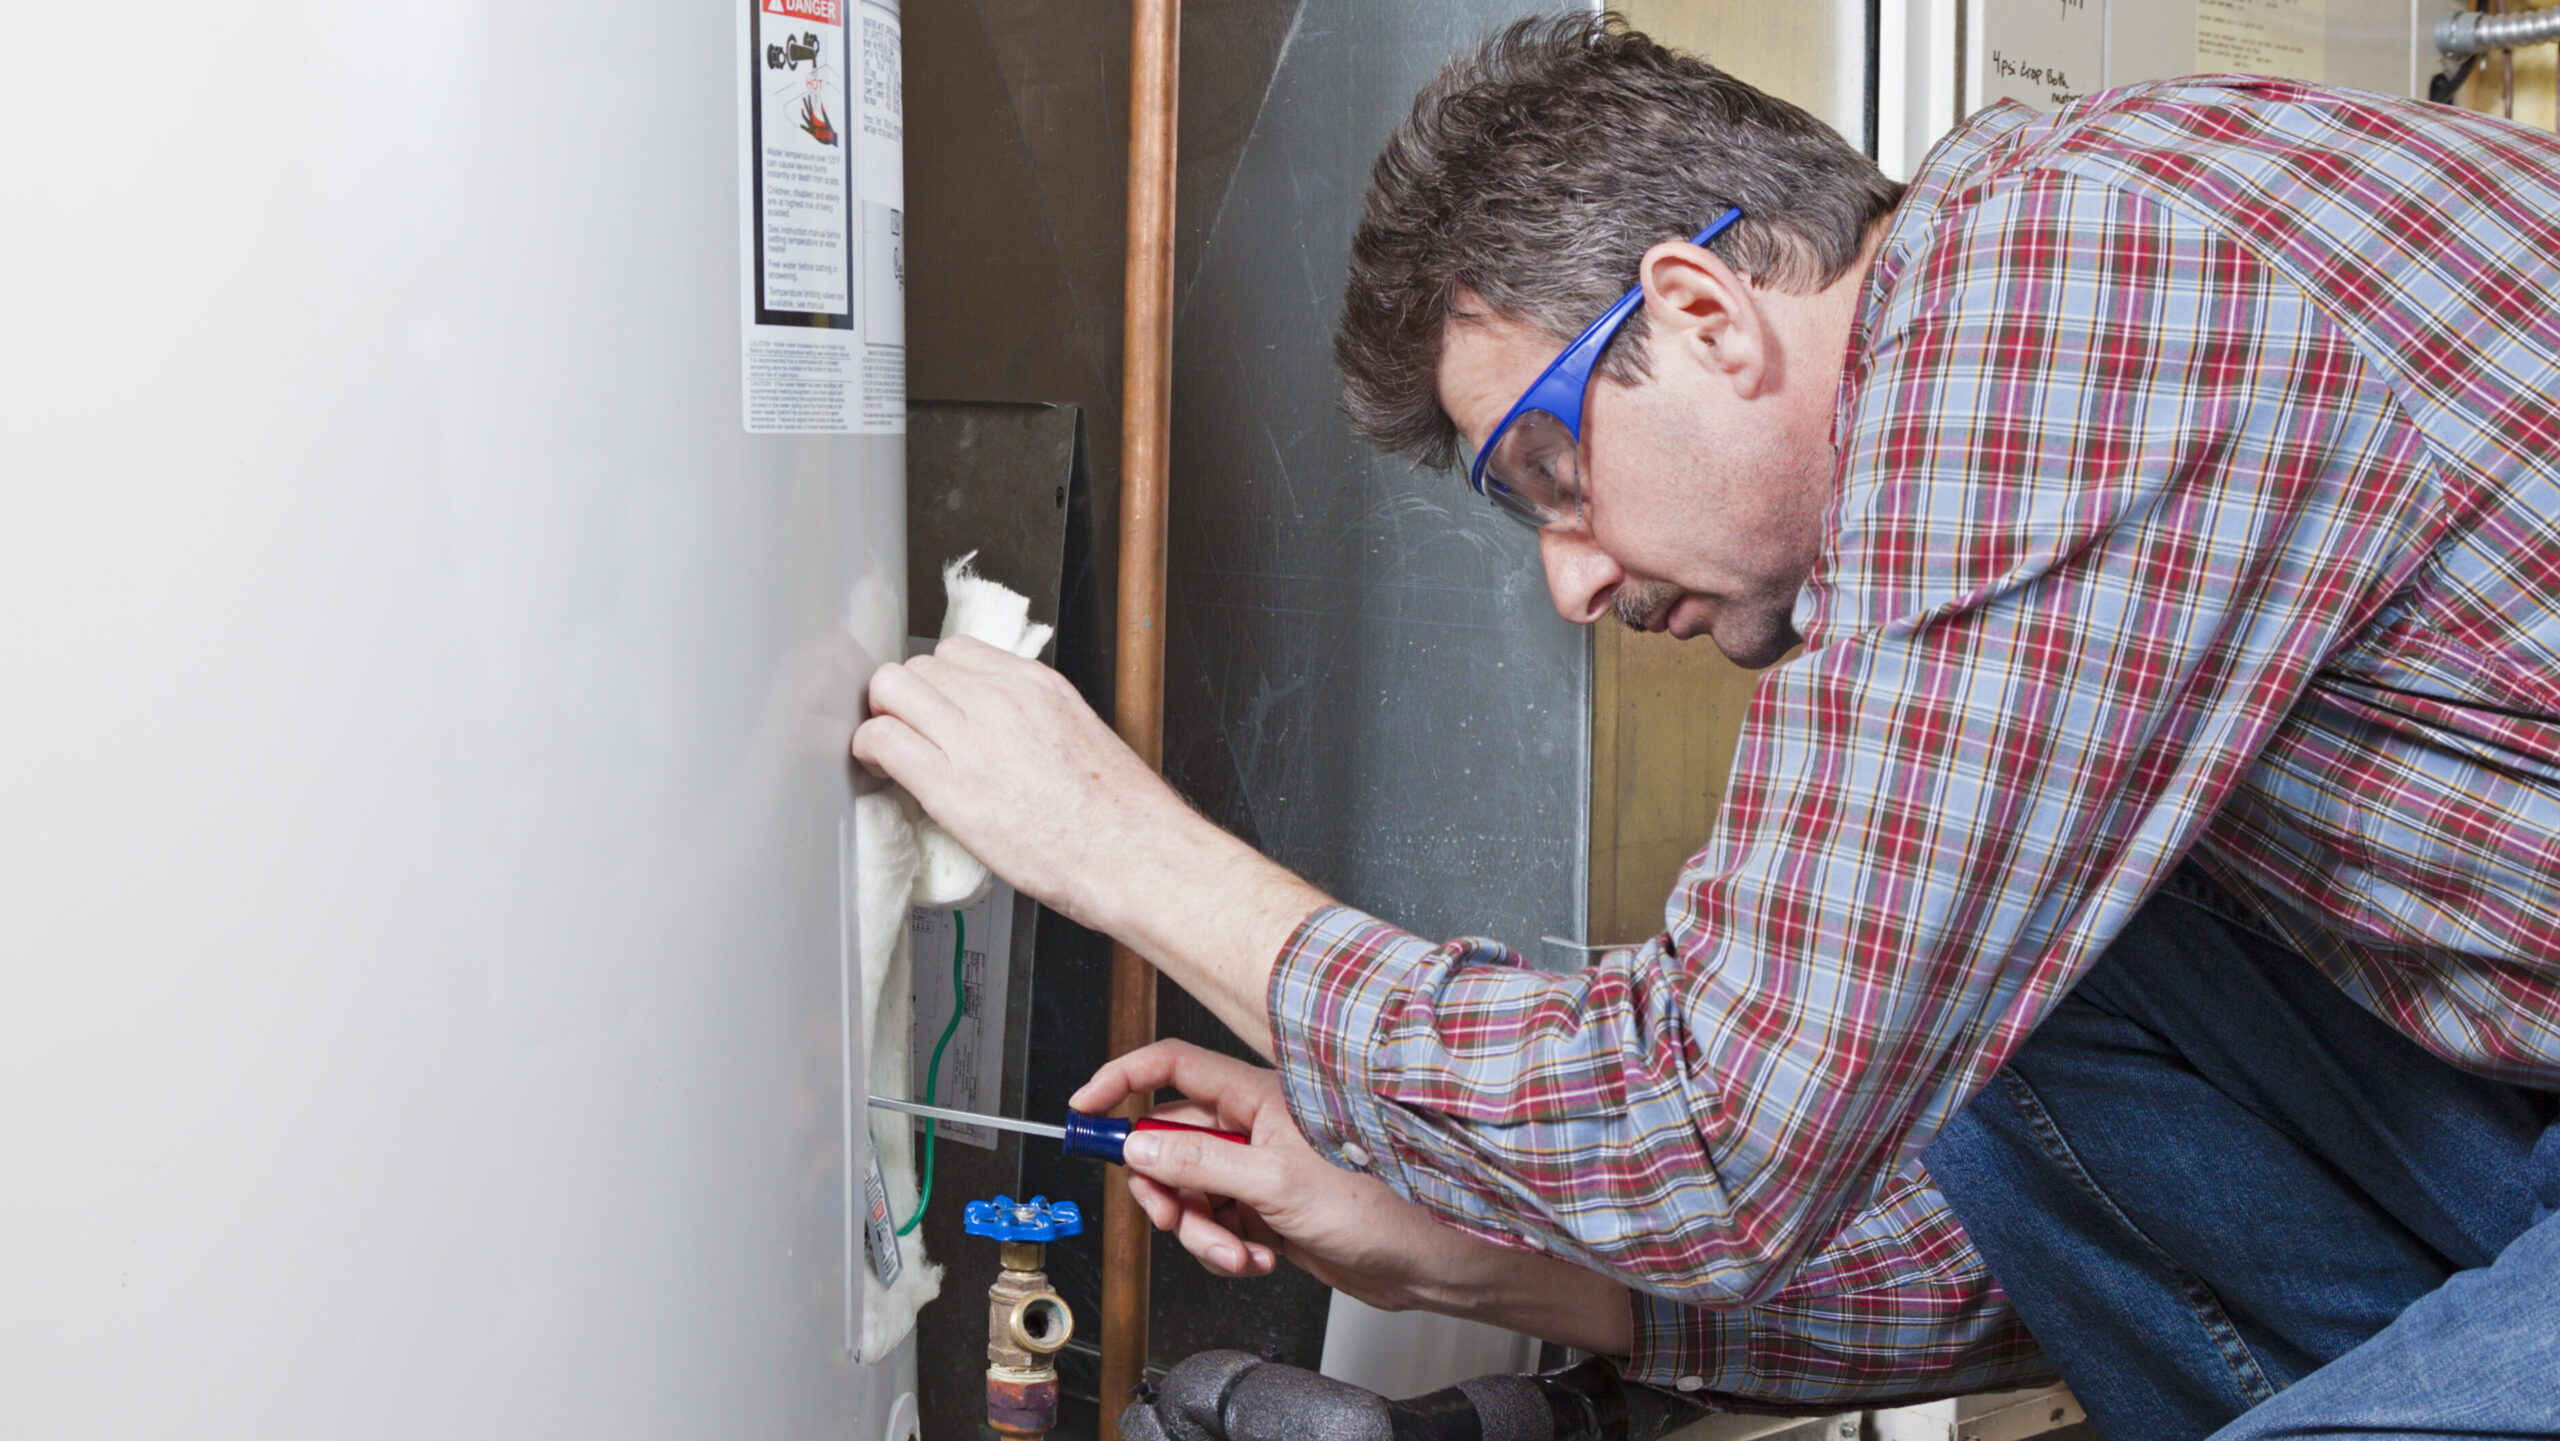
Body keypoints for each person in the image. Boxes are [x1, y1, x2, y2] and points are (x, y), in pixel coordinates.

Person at [855, 15, 2560, 1438]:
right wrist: (1492, 1267)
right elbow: (2064, 1227)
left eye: (1548, 473)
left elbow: (1716, 1124)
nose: (1570, 580)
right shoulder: (2061, 304)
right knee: (1945, 986)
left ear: (1701, 313)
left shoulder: (2072, 286)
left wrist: (1130, 855)